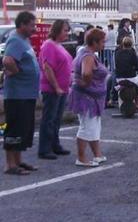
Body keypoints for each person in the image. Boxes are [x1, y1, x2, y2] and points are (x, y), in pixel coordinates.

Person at [2, 11, 39, 175]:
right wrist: (16, 71)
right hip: (17, 94)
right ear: (22, 24)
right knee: (14, 128)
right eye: (32, 25)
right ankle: (10, 165)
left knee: (23, 128)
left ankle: (18, 160)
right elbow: (8, 60)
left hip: (26, 93)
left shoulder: (24, 39)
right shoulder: (15, 40)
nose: (34, 28)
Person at [68, 28, 108, 167]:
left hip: (90, 97)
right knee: (87, 127)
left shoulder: (86, 52)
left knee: (94, 126)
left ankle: (97, 155)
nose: (104, 44)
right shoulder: (88, 56)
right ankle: (81, 158)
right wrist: (87, 83)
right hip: (87, 98)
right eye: (102, 42)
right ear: (95, 42)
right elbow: (86, 73)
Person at [38, 20, 72, 160]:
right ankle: (44, 148)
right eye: (65, 30)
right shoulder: (49, 45)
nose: (67, 33)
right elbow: (48, 67)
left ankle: (55, 144)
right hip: (52, 89)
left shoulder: (58, 45)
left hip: (62, 89)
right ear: (57, 30)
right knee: (49, 118)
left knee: (56, 118)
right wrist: (56, 86)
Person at [115, 37, 138, 114]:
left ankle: (133, 104)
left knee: (122, 88)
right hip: (131, 77)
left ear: (122, 44)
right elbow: (137, 66)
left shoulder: (117, 52)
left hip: (119, 78)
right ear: (131, 44)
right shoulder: (132, 52)